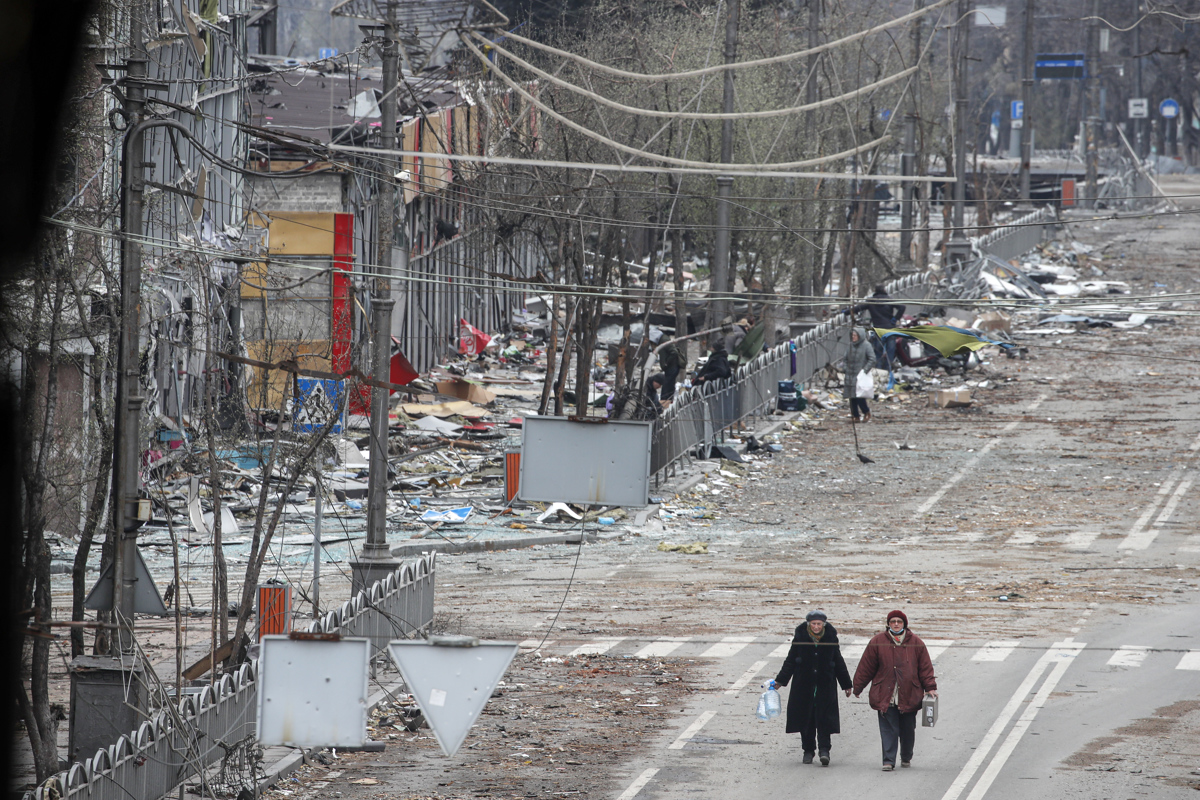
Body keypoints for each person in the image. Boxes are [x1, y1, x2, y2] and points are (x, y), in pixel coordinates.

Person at [852, 610, 938, 771]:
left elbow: (925, 668)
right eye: (893, 621)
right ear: (888, 624)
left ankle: (906, 756)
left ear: (904, 624)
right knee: (888, 730)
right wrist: (858, 686)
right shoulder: (877, 641)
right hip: (886, 694)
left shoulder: (916, 643)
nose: (896, 624)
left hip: (909, 694)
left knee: (907, 730)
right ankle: (888, 761)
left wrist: (930, 687)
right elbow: (866, 667)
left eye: (899, 621)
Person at [773, 610, 853, 766]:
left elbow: (838, 660)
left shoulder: (830, 638)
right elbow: (790, 660)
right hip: (804, 685)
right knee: (806, 719)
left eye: (819, 624)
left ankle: (825, 750)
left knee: (824, 718)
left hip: (825, 685)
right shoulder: (800, 638)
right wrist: (780, 681)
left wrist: (846, 684)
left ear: (824, 624)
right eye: (814, 624)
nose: (816, 627)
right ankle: (808, 751)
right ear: (809, 624)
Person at [847, 286, 905, 367]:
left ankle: (878, 369)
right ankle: (888, 370)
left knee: (878, 351)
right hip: (890, 329)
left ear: (875, 291)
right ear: (884, 290)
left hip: (879, 330)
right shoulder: (889, 299)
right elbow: (902, 307)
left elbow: (858, 308)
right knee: (890, 350)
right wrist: (895, 318)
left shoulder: (871, 301)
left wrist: (847, 312)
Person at [843, 326, 874, 422]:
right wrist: (845, 368)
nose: (853, 337)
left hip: (860, 375)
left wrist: (865, 370)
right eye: (852, 335)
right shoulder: (850, 345)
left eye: (855, 335)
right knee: (852, 397)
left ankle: (866, 412)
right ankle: (855, 415)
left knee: (860, 396)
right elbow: (845, 358)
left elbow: (872, 359)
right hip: (850, 374)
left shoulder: (866, 345)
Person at [651, 329, 685, 402]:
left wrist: (666, 362)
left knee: (667, 385)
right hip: (670, 367)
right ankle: (668, 400)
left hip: (672, 367)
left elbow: (674, 352)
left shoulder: (664, 340)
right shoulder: (662, 339)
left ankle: (665, 402)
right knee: (669, 385)